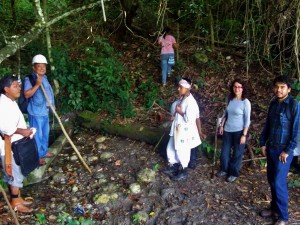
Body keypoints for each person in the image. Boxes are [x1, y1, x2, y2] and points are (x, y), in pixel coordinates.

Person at [259, 75, 300, 225]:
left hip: (284, 152)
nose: (279, 90)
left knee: (278, 182)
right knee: (271, 180)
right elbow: (268, 125)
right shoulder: (273, 104)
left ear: (288, 89)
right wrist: (263, 143)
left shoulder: (294, 105)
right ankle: (274, 208)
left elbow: (296, 131)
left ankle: (283, 217)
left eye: (282, 87)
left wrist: (287, 151)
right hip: (271, 148)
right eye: (276, 86)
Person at [0, 75, 35, 213]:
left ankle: (18, 198)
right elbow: (4, 127)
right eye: (15, 86)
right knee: (14, 173)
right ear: (6, 89)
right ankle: (15, 202)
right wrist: (22, 131)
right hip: (8, 146)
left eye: (18, 85)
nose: (19, 88)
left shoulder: (11, 101)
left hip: (16, 143)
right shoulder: (2, 104)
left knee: (17, 171)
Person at [161, 79, 201, 181]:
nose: (178, 89)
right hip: (177, 128)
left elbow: (189, 119)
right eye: (178, 86)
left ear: (187, 88)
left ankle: (183, 171)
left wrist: (180, 112)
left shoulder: (191, 102)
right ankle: (173, 166)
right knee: (171, 147)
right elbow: (176, 110)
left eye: (180, 87)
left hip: (184, 131)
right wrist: (174, 116)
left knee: (182, 150)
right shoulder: (181, 98)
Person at [216, 78, 251, 182]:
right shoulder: (230, 99)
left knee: (237, 154)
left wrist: (244, 135)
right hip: (227, 130)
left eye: (239, 87)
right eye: (235, 86)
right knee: (224, 153)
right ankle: (224, 169)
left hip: (239, 131)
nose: (237, 89)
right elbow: (225, 114)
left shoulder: (245, 102)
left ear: (243, 89)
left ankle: (233, 173)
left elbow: (247, 120)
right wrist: (221, 125)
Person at [24, 54, 55, 160]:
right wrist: (37, 84)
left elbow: (49, 93)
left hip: (45, 111)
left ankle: (44, 152)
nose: (42, 68)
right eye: (39, 66)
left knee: (45, 134)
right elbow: (27, 94)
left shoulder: (45, 78)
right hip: (35, 112)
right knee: (37, 136)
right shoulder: (30, 79)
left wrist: (52, 106)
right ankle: (37, 156)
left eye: (44, 66)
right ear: (34, 67)